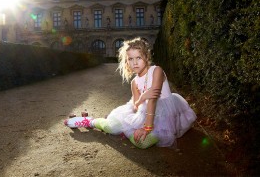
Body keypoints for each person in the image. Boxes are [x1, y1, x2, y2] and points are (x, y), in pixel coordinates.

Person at [64, 37, 197, 149]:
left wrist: (147, 128)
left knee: (142, 143)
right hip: (143, 113)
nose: (134, 63)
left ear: (146, 57)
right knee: (112, 127)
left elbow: (153, 100)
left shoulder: (157, 70)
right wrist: (141, 98)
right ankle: (90, 121)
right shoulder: (134, 82)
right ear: (127, 61)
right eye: (130, 59)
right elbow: (137, 106)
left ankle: (125, 130)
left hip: (164, 115)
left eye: (138, 57)